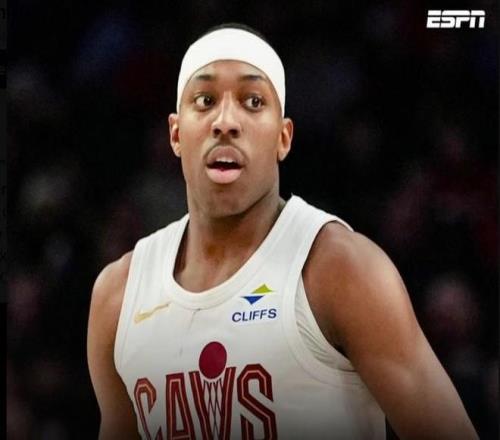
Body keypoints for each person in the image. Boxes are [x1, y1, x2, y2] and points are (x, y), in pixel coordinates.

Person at [87, 23, 478, 440]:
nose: (226, 122)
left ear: (283, 137)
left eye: (253, 101)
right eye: (205, 101)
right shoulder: (118, 296)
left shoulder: (341, 269)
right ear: (176, 134)